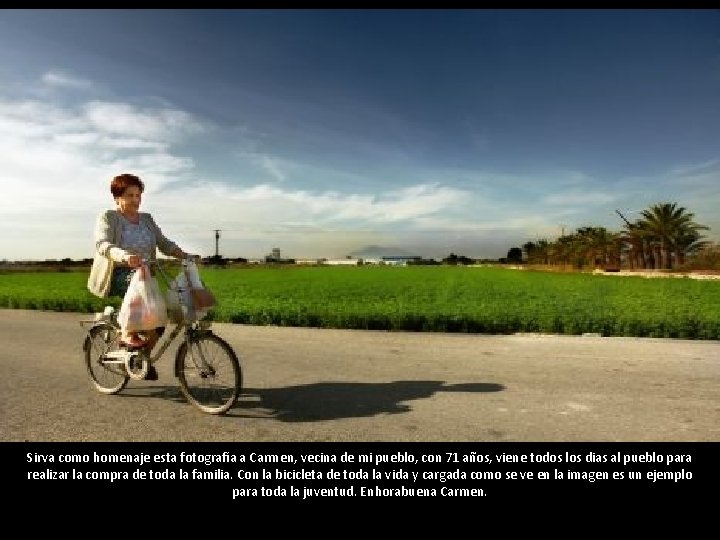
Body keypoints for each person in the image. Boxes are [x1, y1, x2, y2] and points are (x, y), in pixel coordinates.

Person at [87, 173, 198, 380]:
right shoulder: (108, 217)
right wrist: (125, 256)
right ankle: (126, 333)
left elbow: (163, 243)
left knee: (160, 317)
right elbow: (102, 244)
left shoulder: (146, 219)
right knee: (147, 303)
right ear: (117, 197)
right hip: (118, 273)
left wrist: (184, 254)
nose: (136, 200)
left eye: (138, 195)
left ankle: (140, 358)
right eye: (130, 195)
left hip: (145, 274)